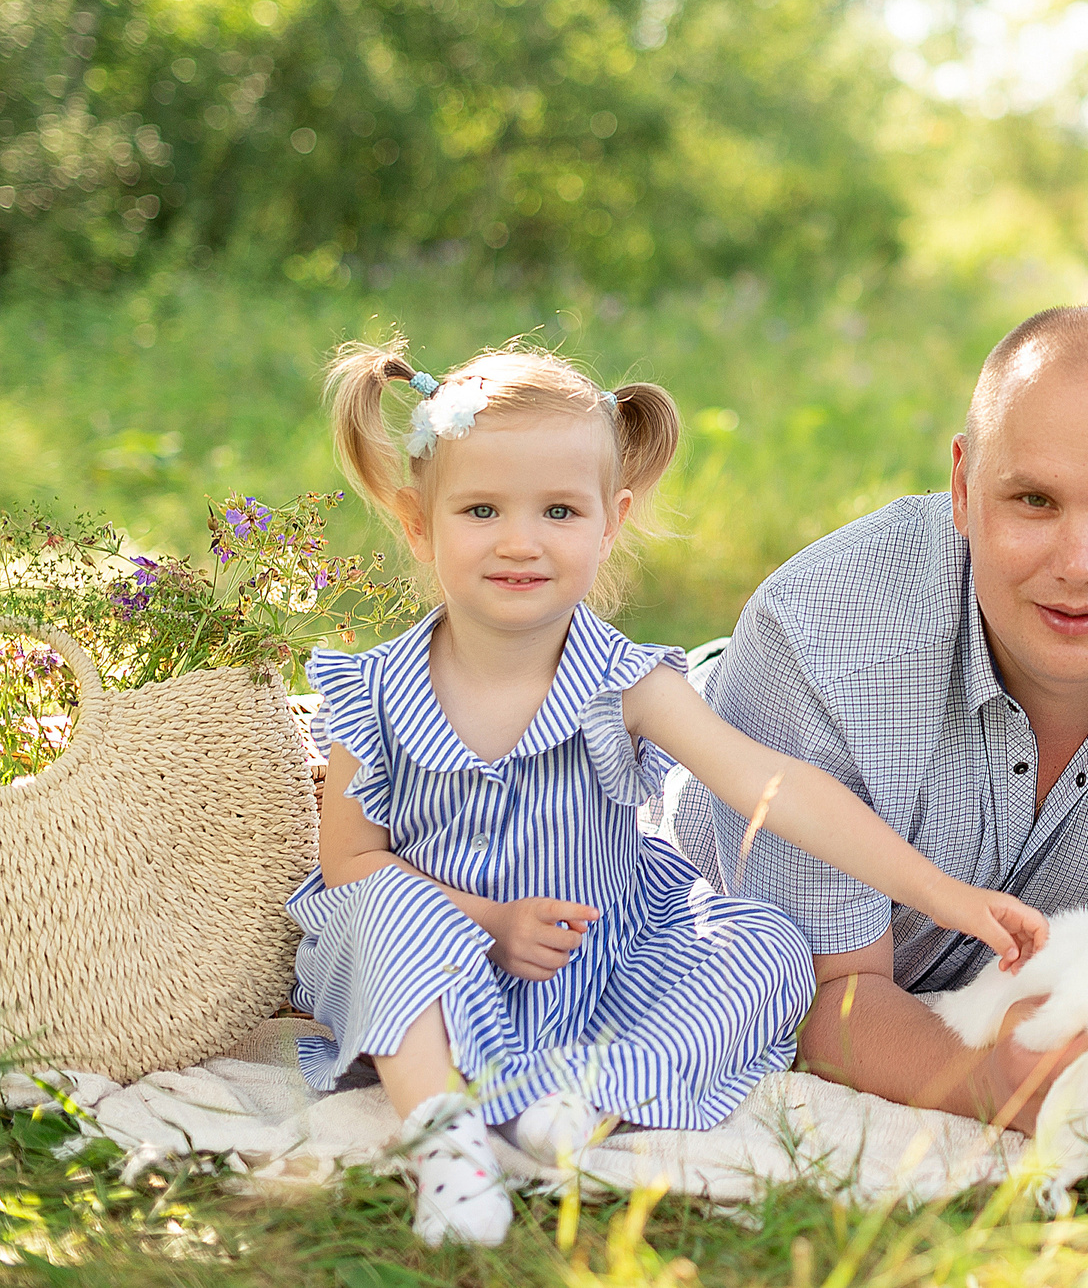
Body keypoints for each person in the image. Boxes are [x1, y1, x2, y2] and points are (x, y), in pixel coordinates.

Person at [297, 341, 1047, 1248]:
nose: (521, 540)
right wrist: (488, 920)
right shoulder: (375, 689)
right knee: (381, 913)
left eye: (559, 510)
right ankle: (447, 1134)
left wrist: (945, 895)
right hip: (438, 960)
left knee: (766, 947)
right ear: (419, 523)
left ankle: (578, 1096)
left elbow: (775, 786)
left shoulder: (626, 682)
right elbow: (350, 862)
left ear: (611, 522)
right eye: (481, 509)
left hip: (598, 959)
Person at [666, 306, 1088, 1121]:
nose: (1080, 565)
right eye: (1035, 500)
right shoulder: (815, 637)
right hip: (696, 799)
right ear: (961, 485)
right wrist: (997, 1085)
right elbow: (824, 995)